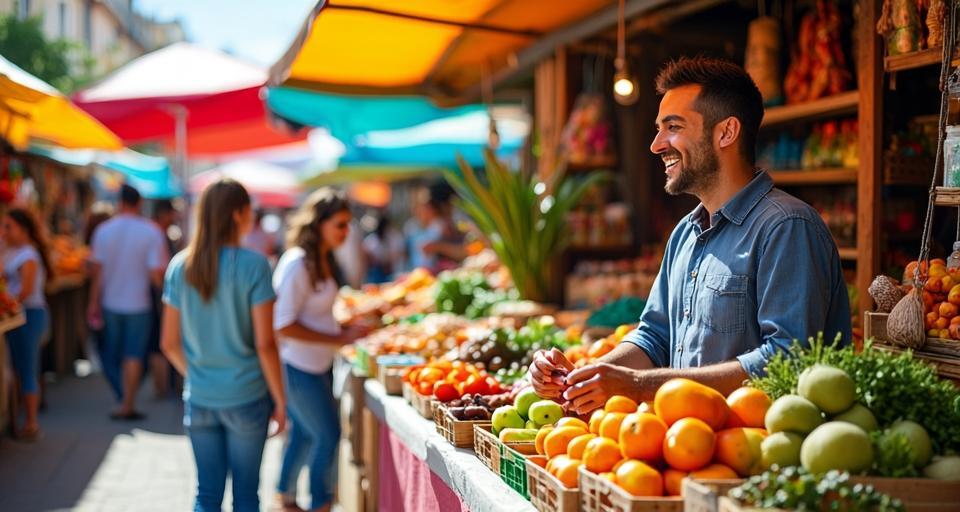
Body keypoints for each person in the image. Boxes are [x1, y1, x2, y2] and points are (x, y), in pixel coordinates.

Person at [530, 57, 852, 415]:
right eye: (658, 128)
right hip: (688, 448)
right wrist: (589, 376)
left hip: (760, 458)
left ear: (726, 133)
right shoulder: (685, 233)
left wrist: (638, 386)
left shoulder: (787, 227)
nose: (656, 144)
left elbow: (788, 360)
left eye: (673, 127)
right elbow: (654, 337)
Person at [160, 179, 285, 512]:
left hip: (200, 397)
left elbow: (169, 343)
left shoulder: (179, 267)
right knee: (246, 496)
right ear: (237, 214)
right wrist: (281, 400)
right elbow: (265, 344)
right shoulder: (254, 265)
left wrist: (200, 374)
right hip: (247, 397)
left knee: (207, 494)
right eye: (249, 211)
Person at [273, 188, 370, 512]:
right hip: (299, 368)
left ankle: (284, 497)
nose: (346, 232)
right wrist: (338, 339)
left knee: (304, 433)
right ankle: (320, 503)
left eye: (347, 225)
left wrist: (342, 331)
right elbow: (283, 324)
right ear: (319, 224)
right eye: (340, 224)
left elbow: (314, 316)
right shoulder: (298, 263)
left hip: (316, 365)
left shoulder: (322, 259)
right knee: (327, 436)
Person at [88, 184, 169, 419]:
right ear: (139, 203)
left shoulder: (103, 231)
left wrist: (93, 302)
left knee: (112, 352)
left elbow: (98, 272)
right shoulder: (151, 231)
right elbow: (156, 274)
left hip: (110, 302)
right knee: (133, 353)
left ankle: (123, 398)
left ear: (119, 202)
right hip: (139, 303)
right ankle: (128, 401)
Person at [2, 208, 51, 441]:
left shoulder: (28, 255)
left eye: (8, 226)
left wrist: (8, 305)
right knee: (19, 369)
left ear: (22, 229)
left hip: (29, 315)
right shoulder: (11, 251)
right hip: (18, 315)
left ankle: (31, 422)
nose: (4, 231)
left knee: (27, 368)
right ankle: (19, 420)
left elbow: (26, 290)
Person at [148, 199, 179, 398]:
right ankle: (161, 386)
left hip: (154, 293)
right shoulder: (157, 234)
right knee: (160, 340)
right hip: (157, 294)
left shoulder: (158, 233)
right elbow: (155, 271)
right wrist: (163, 293)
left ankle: (163, 386)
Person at [362, 214, 405, 283]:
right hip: (377, 274)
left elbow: (398, 254)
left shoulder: (394, 237)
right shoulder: (373, 239)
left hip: (392, 272)